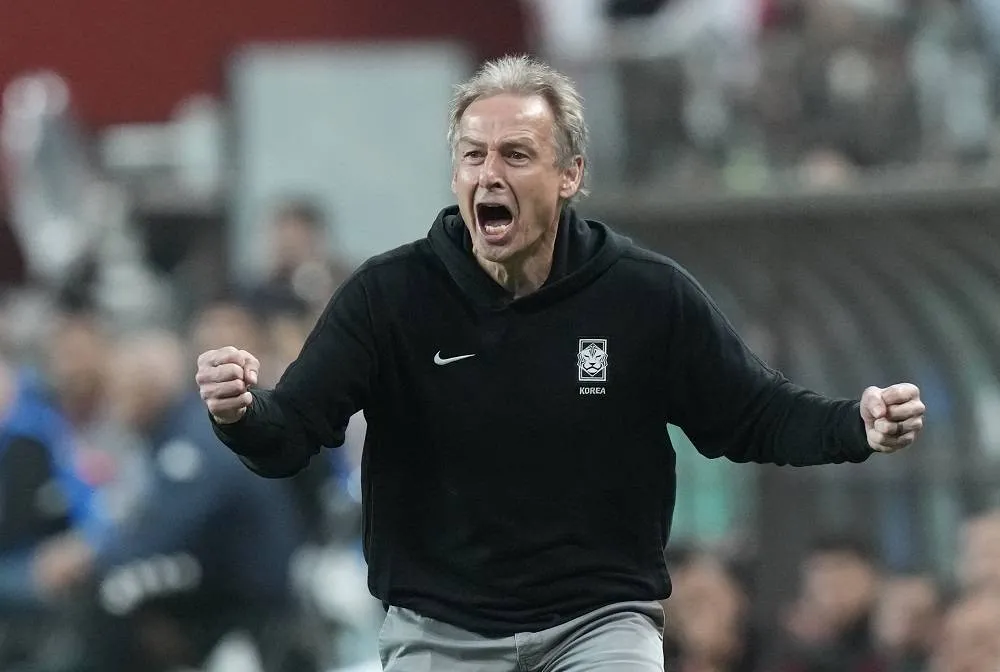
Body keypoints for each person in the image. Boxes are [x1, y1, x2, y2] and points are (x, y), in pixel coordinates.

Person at [196, 55, 926, 671]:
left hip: (600, 622)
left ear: (570, 174)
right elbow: (290, 435)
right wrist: (241, 414)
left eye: (516, 155)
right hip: (441, 629)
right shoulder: (388, 296)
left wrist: (853, 425)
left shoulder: (645, 294)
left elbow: (753, 414)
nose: (490, 173)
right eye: (473, 155)